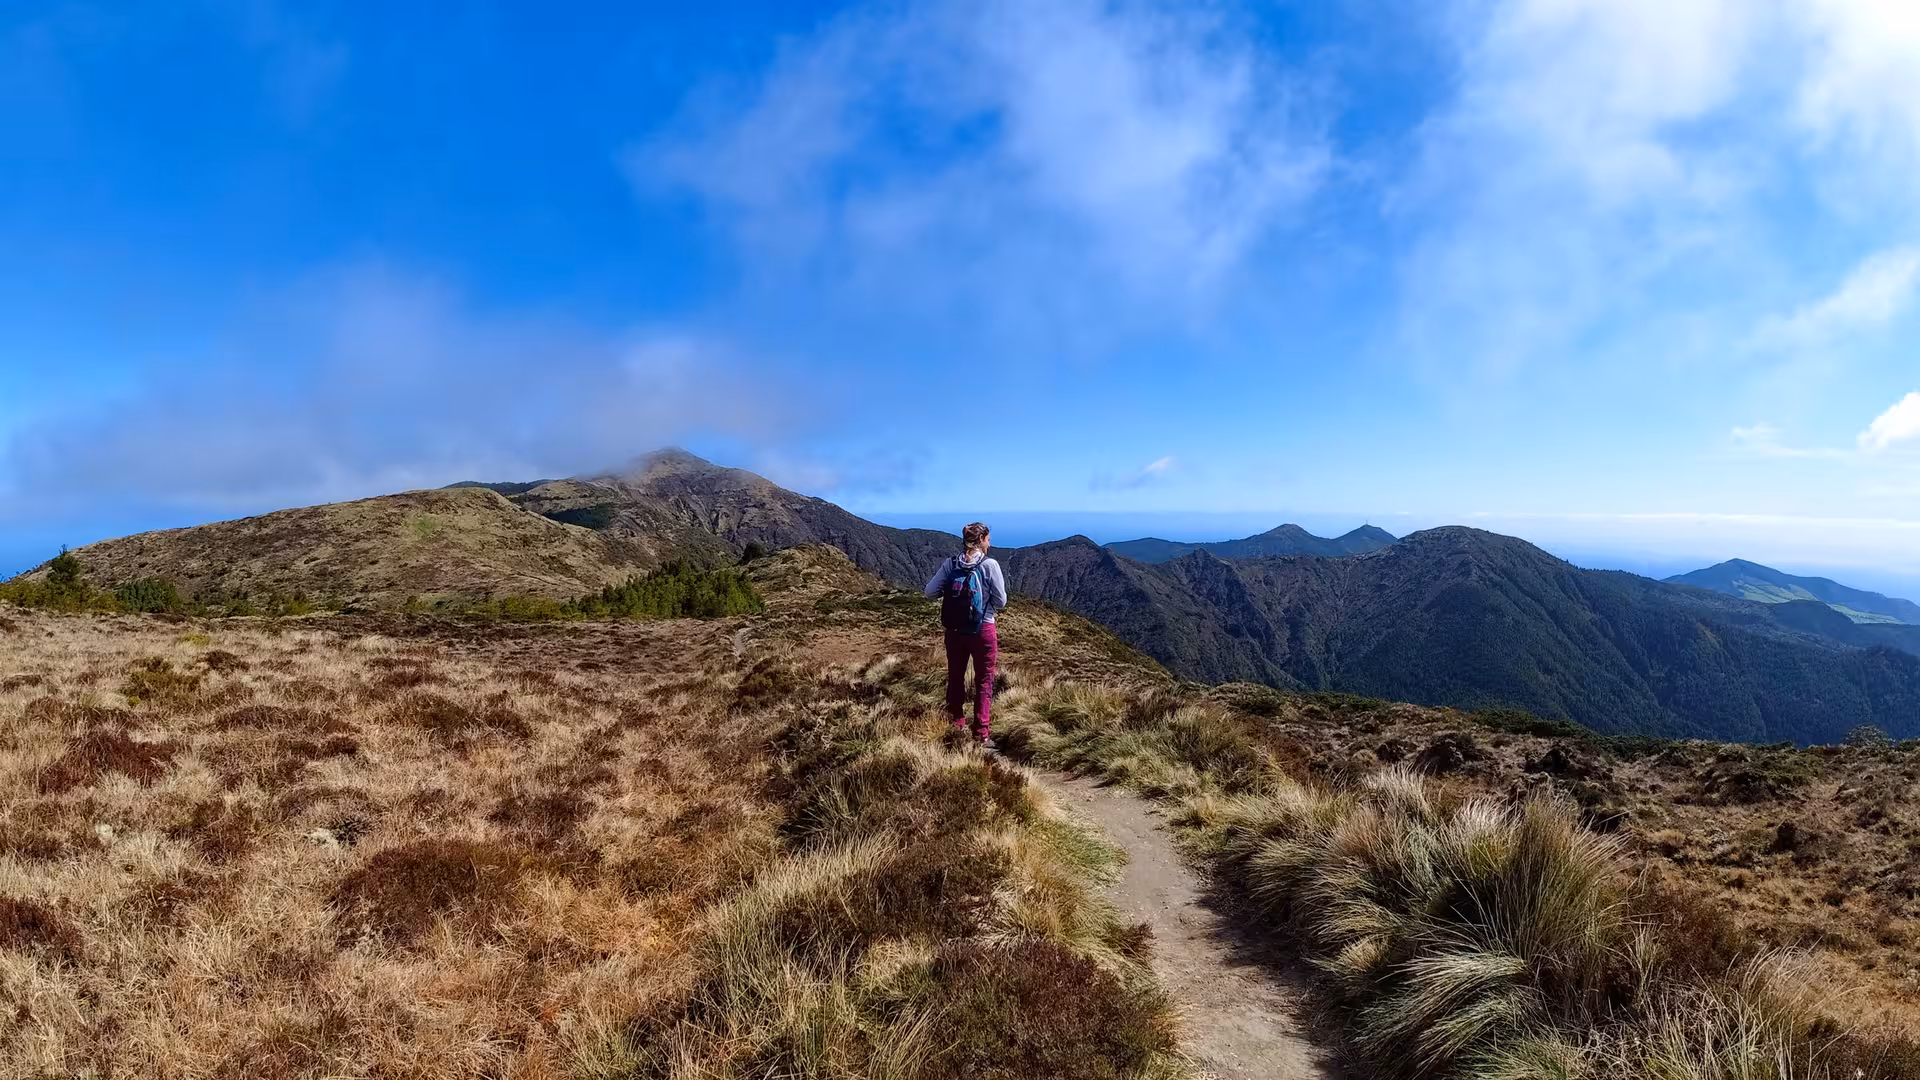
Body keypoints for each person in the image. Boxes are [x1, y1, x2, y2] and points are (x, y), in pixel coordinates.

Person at [924, 522, 1007, 747]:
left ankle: (956, 724)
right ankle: (981, 733)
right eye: (988, 539)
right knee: (984, 680)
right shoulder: (990, 565)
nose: (990, 543)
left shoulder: (951, 564)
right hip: (983, 629)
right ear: (981, 540)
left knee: (955, 676)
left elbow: (929, 592)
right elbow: (1001, 601)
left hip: (954, 631)